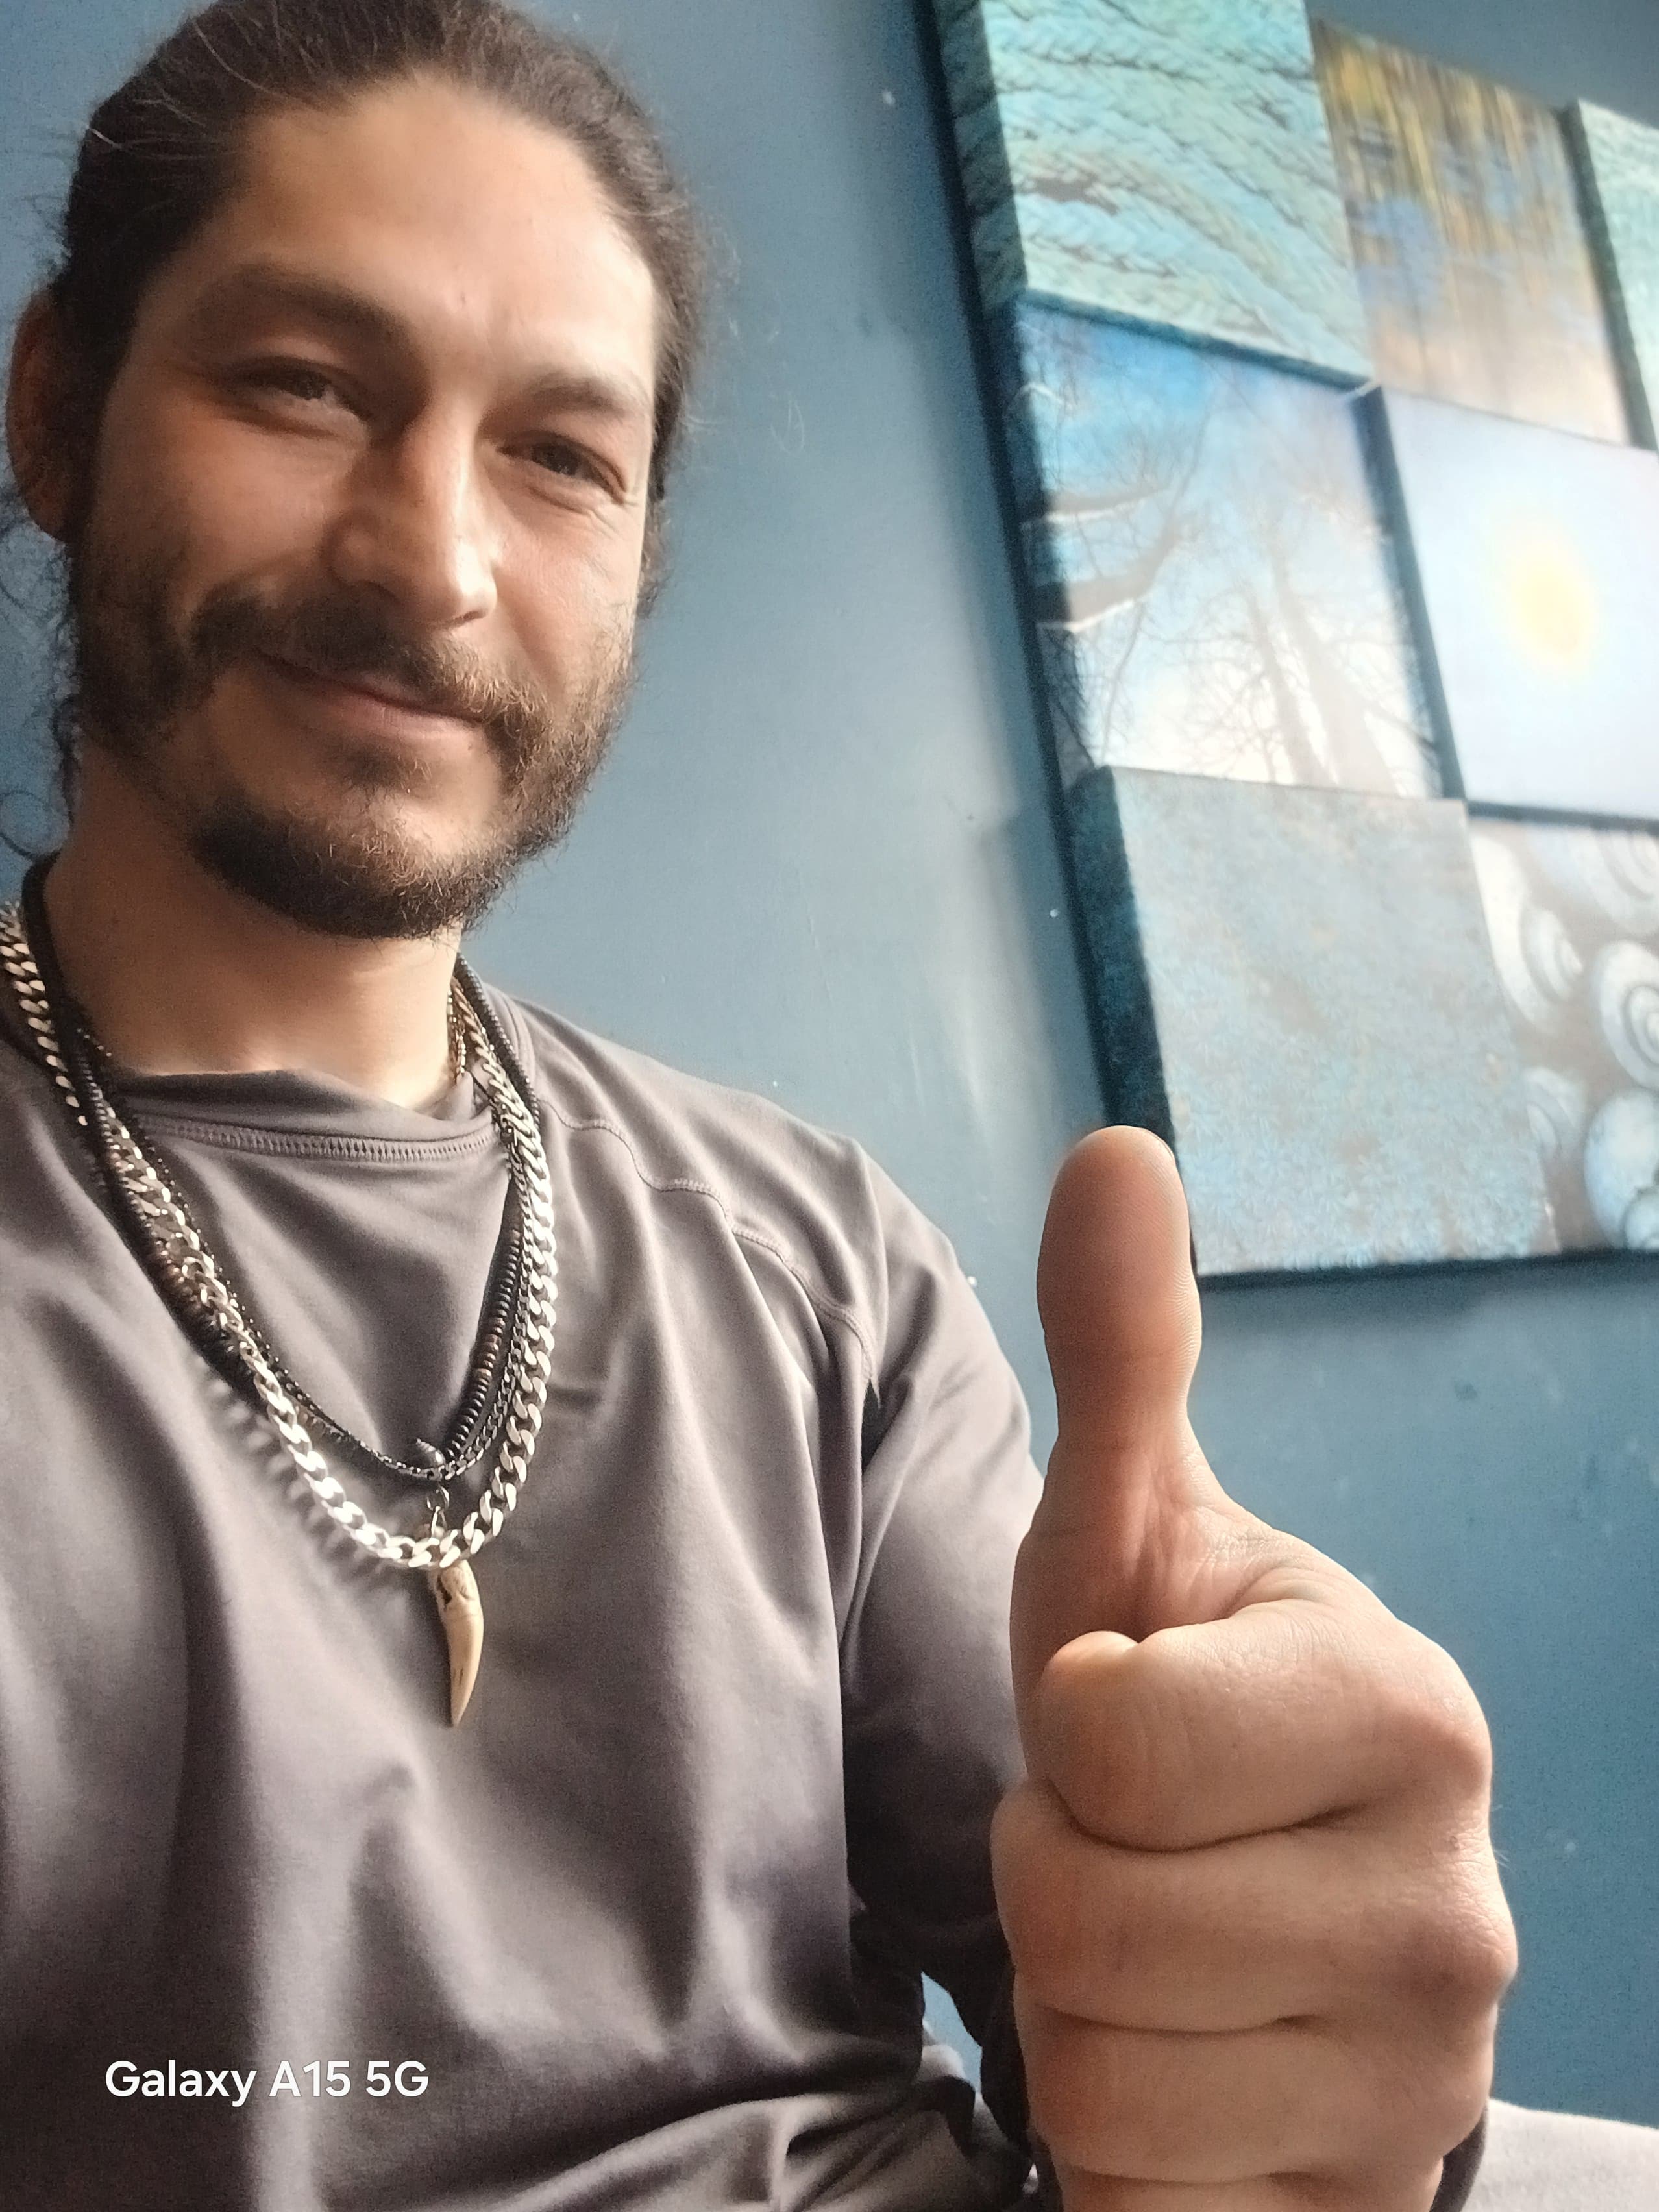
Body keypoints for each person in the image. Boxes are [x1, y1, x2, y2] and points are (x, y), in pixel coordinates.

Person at [0, 3, 1640, 2206]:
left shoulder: (815, 1259)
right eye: (305, 384)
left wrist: (1300, 2043)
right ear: (58, 413)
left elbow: (1136, 2058)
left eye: (560, 455)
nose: (433, 560)